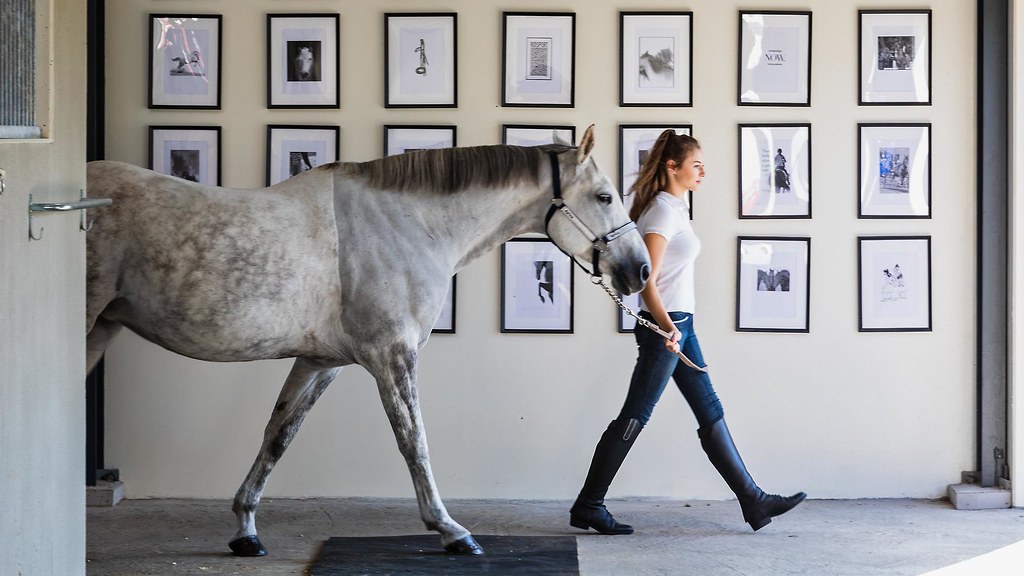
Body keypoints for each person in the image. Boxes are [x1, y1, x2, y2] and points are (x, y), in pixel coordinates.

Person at [569, 130, 806, 535]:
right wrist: (666, 328)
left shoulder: (675, 209)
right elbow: (647, 282)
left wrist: (676, 327)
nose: (703, 171)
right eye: (696, 164)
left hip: (680, 324)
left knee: (709, 409)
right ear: (672, 167)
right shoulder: (661, 212)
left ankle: (753, 501)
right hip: (667, 327)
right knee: (635, 415)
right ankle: (589, 505)